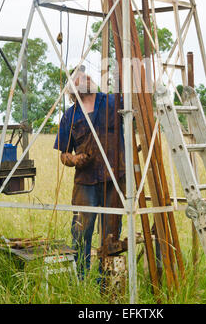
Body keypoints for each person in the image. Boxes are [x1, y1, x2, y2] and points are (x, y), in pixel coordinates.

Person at [53, 67, 125, 278]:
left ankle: (106, 281)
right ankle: (80, 279)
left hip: (115, 178)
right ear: (74, 87)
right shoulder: (70, 116)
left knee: (111, 232)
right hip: (85, 181)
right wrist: (74, 159)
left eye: (88, 76)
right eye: (82, 77)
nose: (89, 78)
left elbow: (134, 114)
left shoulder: (113, 102)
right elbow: (64, 154)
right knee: (81, 231)